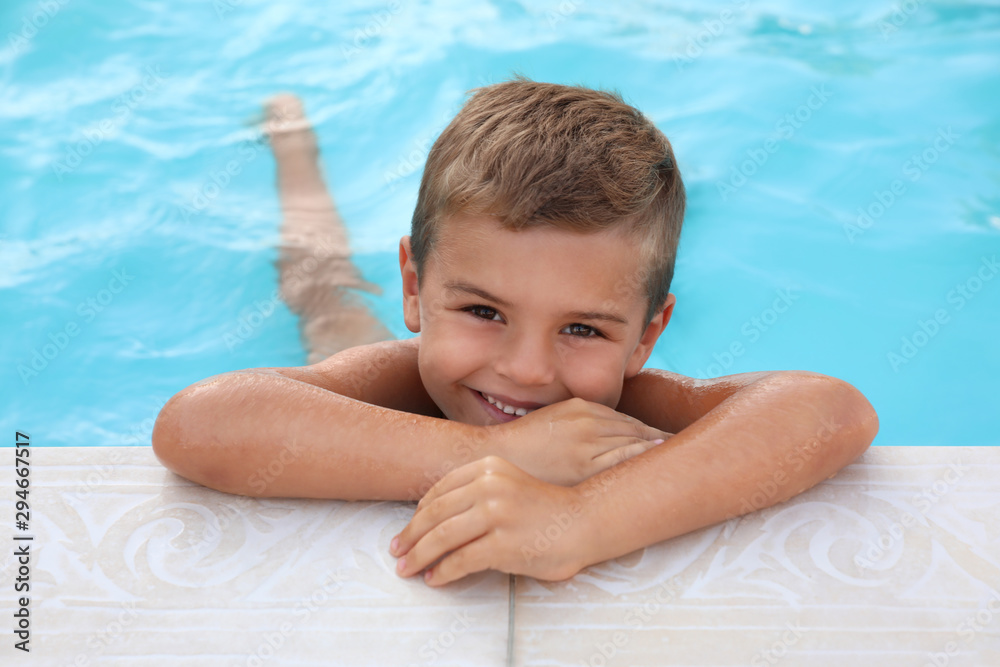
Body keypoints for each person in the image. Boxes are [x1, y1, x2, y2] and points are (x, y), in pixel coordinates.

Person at [152, 79, 878, 587]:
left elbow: (830, 410)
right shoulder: (395, 383)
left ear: (647, 335)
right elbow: (197, 422)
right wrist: (492, 450)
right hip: (340, 348)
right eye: (483, 311)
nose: (528, 370)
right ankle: (293, 146)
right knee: (320, 285)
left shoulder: (624, 411)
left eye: (584, 328)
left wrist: (584, 519)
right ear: (416, 287)